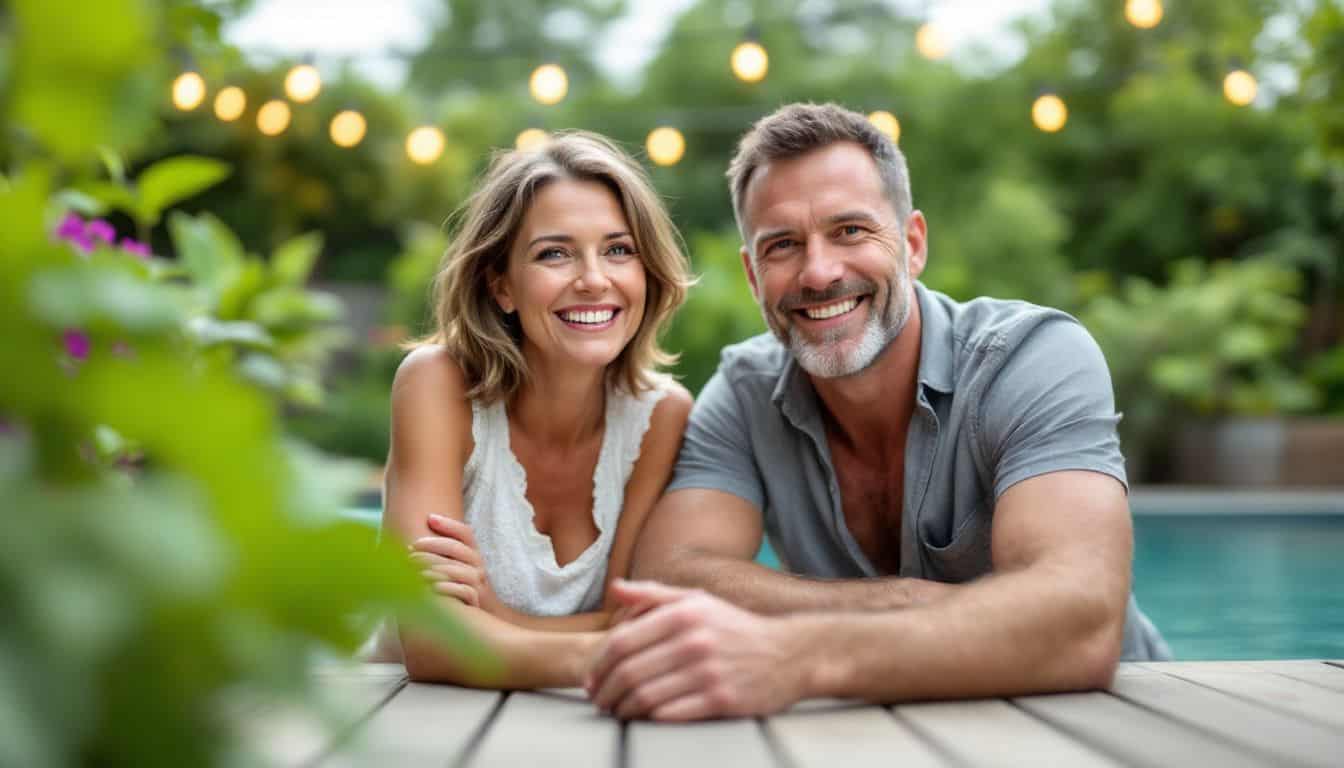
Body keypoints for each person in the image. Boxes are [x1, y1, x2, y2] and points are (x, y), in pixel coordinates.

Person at [584, 102, 1171, 721]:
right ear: (753, 276)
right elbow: (672, 574)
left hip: (1107, 726)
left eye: (851, 231)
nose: (819, 272)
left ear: (912, 245)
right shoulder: (743, 391)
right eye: (783, 246)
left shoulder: (1031, 358)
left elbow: (1080, 621)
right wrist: (907, 602)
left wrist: (798, 656)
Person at [381, 131, 694, 688]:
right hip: (413, 718)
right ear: (502, 286)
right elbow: (430, 640)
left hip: (583, 728)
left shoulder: (660, 416)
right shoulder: (437, 386)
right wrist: (601, 656)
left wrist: (497, 618)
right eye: (555, 253)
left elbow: (633, 616)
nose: (595, 280)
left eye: (619, 250)